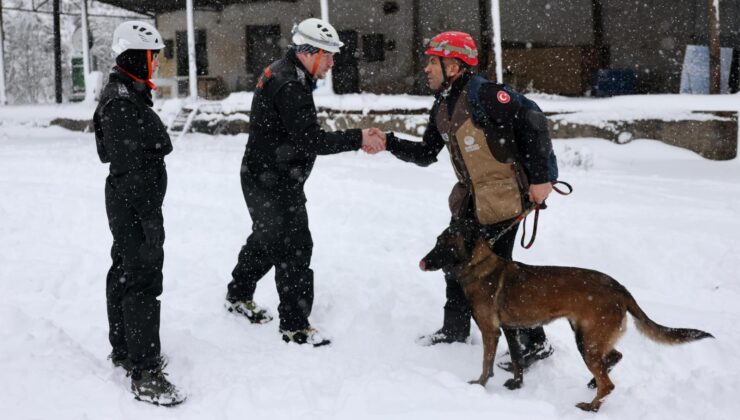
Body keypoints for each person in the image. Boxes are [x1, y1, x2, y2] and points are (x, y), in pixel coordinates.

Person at [381, 31, 558, 371]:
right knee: (454, 259)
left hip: (502, 198)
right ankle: (455, 329)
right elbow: (425, 153)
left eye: (434, 61)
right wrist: (388, 142)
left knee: (500, 274)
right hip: (471, 200)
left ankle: (534, 343)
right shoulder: (443, 104)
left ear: (456, 65)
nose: (427, 69)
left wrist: (542, 178)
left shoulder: (487, 95)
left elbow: (534, 120)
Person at [225, 18, 385, 347]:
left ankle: (238, 294)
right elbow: (312, 141)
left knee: (268, 239)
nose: (332, 62)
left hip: (266, 175)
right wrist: (358, 138)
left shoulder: (285, 72)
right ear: (309, 52)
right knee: (295, 248)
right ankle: (295, 326)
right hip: (273, 181)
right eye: (328, 55)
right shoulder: (289, 84)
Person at [93, 20, 185, 406]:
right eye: (153, 57)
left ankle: (126, 347)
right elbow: (131, 164)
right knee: (143, 280)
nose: (158, 65)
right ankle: (145, 372)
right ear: (135, 56)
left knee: (126, 270)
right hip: (136, 205)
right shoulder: (121, 102)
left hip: (131, 202)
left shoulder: (128, 92)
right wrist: (149, 218)